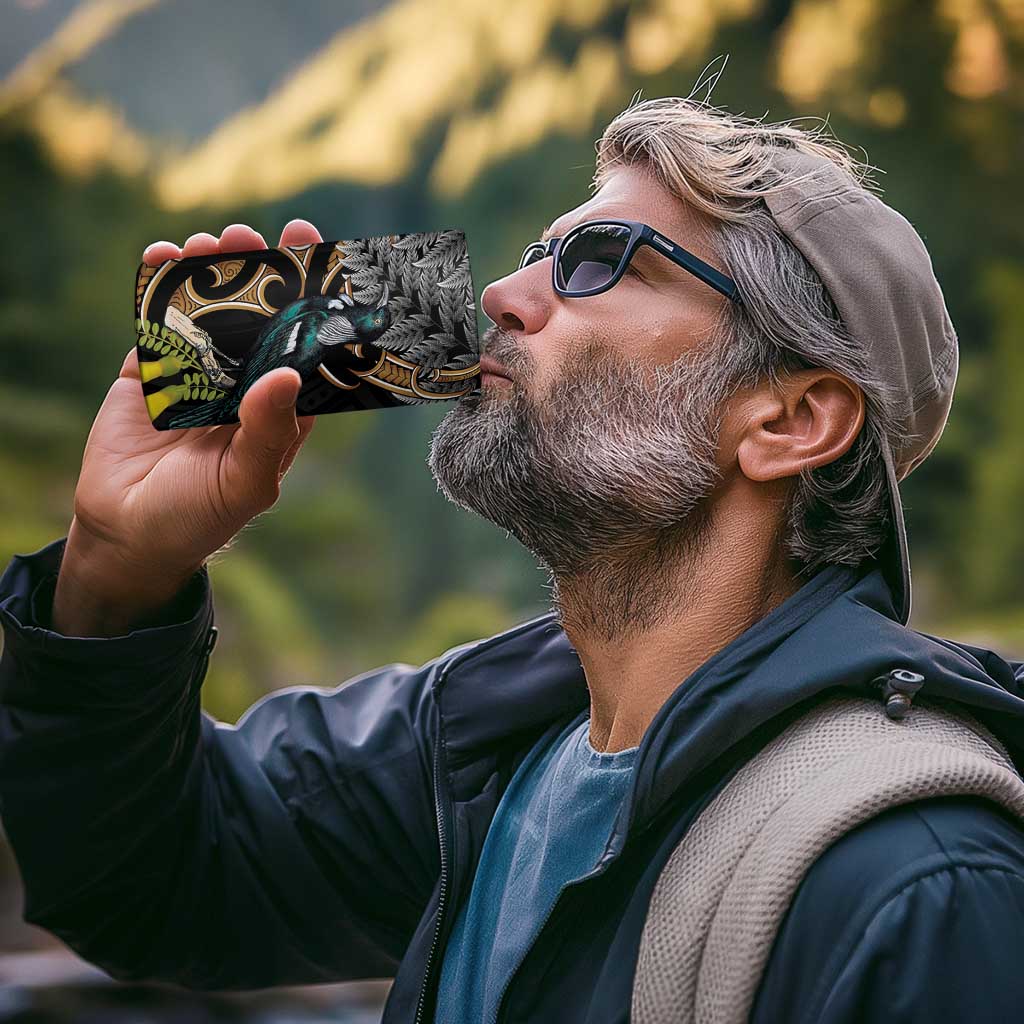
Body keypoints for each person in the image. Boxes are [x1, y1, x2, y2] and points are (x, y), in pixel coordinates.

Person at [2, 95, 1024, 1024]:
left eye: (601, 261)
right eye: (540, 251)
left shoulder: (919, 886)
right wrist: (116, 572)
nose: (499, 292)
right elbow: (151, 879)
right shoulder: (483, 745)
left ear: (790, 421)